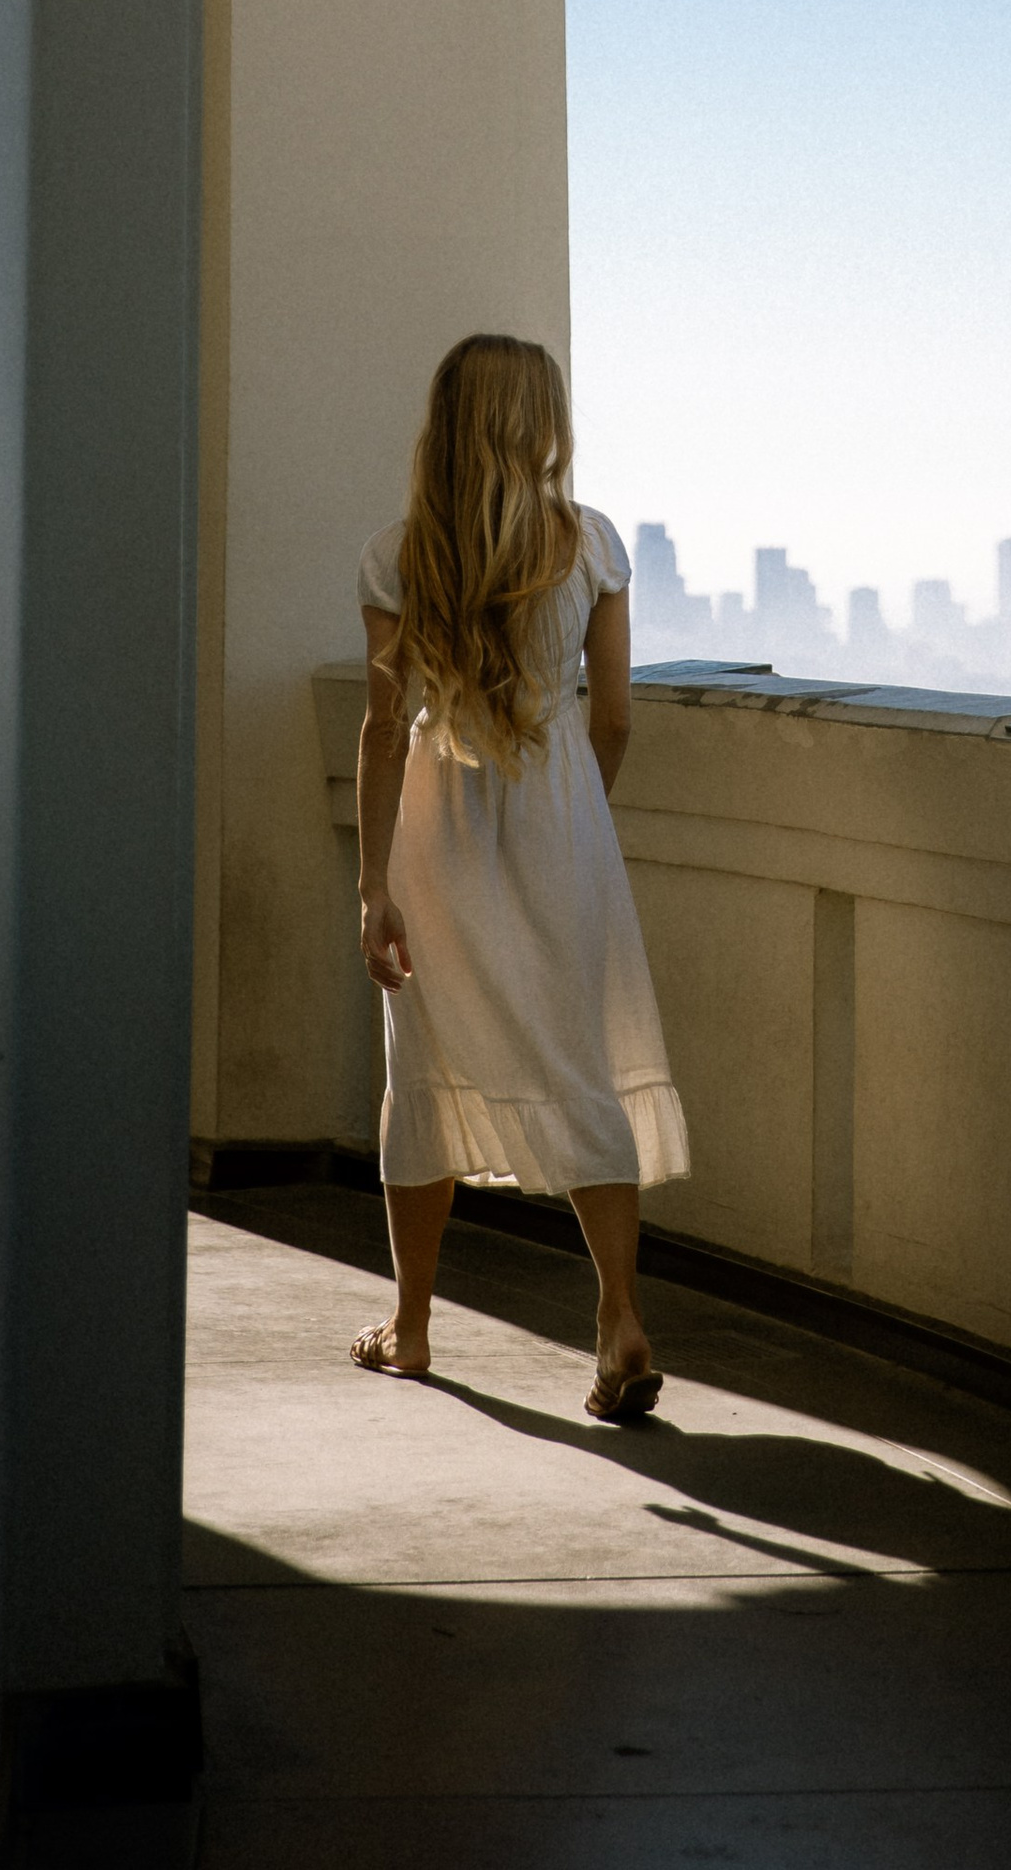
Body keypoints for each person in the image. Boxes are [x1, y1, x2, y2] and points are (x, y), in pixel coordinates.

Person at [347, 330, 688, 1420]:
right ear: (541, 422)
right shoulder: (589, 545)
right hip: (561, 820)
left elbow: (384, 728)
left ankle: (410, 1327)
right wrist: (573, 819)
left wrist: (372, 886)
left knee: (423, 1065)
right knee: (577, 1059)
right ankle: (619, 1318)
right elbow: (621, 717)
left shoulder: (401, 555)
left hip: (438, 832)